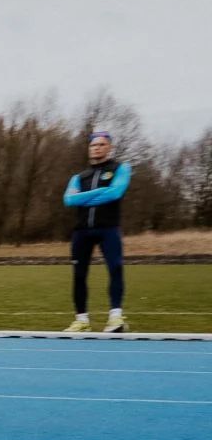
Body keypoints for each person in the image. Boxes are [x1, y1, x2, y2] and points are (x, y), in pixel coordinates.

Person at [63, 131, 132, 333]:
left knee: (115, 269)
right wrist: (103, 193)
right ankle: (82, 320)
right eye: (94, 145)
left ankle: (115, 318)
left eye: (102, 145)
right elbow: (69, 200)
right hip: (82, 231)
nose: (97, 148)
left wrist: (82, 197)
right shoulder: (79, 177)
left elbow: (116, 192)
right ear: (89, 149)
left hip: (108, 228)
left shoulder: (121, 169)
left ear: (109, 148)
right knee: (79, 275)